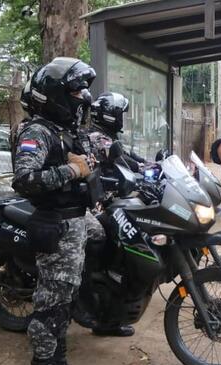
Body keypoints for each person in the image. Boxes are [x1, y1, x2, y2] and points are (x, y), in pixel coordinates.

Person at [12, 57, 97, 365]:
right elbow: (25, 179)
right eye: (75, 92)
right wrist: (72, 170)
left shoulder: (65, 131)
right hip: (57, 227)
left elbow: (87, 162)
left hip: (75, 223)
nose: (81, 98)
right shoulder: (38, 131)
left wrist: (85, 164)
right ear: (57, 94)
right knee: (50, 309)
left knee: (66, 302)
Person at [83, 91, 137, 337]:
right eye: (119, 114)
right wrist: (142, 169)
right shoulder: (96, 137)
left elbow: (129, 158)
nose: (122, 119)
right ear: (109, 115)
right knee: (105, 235)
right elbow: (122, 159)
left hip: (106, 199)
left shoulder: (107, 135)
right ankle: (92, 284)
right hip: (92, 205)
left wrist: (154, 165)